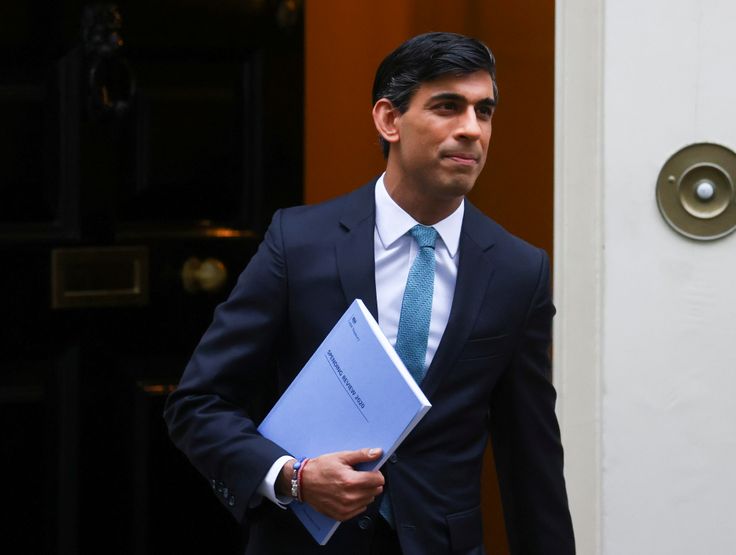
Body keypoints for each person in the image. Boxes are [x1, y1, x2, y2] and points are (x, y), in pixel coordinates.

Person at [164, 32, 575, 554]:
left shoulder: (520, 271)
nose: (472, 130)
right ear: (388, 120)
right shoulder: (299, 243)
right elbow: (198, 404)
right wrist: (294, 476)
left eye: (484, 111)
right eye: (447, 107)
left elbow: (531, 459)